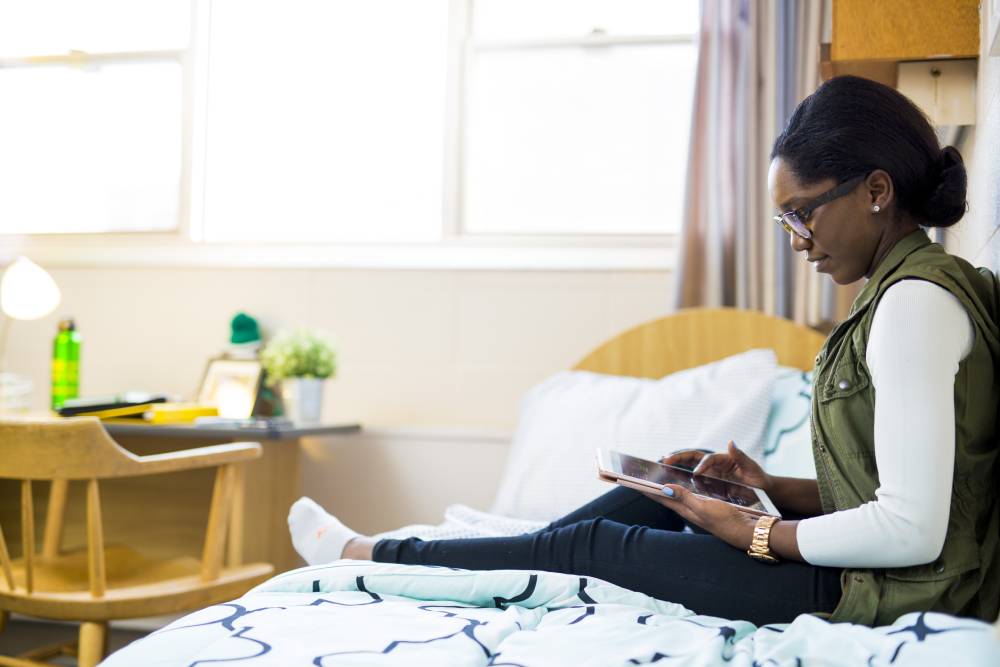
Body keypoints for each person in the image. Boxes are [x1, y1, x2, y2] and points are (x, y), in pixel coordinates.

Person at [287, 76, 1000, 627]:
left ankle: (373, 557)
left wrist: (760, 532)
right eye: (784, 219)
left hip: (884, 589)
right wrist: (766, 487)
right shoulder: (904, 294)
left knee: (598, 547)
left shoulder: (913, 305)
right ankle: (483, 546)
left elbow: (911, 525)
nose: (796, 239)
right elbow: (899, 489)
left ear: (876, 190)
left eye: (800, 211)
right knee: (654, 498)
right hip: (867, 570)